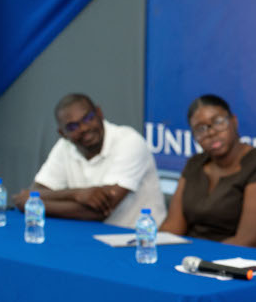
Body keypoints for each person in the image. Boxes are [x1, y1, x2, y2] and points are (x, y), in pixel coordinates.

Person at [13, 93, 166, 228]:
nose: (84, 128)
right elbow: (37, 191)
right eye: (73, 127)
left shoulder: (129, 141)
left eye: (88, 118)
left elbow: (98, 212)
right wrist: (78, 194)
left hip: (140, 241)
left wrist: (32, 204)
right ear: (63, 133)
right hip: (90, 237)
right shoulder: (63, 147)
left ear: (99, 113)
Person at [160, 94, 256, 251]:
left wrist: (196, 259)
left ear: (234, 121)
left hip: (238, 263)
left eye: (218, 122)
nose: (211, 132)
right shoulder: (194, 164)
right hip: (189, 259)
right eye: (200, 129)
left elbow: (248, 242)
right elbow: (173, 227)